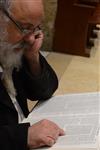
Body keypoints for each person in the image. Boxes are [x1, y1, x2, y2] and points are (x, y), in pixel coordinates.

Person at [0, 0, 65, 150]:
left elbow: (44, 91)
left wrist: (32, 56)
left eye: (35, 29)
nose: (30, 39)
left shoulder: (10, 45)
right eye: (24, 28)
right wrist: (24, 136)